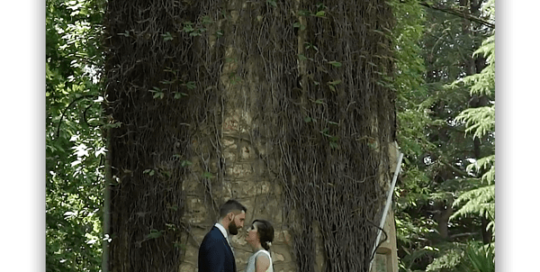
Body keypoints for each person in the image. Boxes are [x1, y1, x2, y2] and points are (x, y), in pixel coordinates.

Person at [198, 199, 247, 272]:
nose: (241, 225)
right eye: (241, 220)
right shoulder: (215, 240)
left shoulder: (219, 238)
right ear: (231, 216)